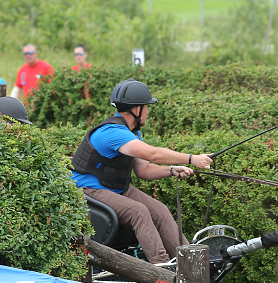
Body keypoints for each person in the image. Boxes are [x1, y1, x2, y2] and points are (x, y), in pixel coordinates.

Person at [70, 79, 213, 264]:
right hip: (89, 191)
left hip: (114, 189)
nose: (147, 112)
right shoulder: (112, 133)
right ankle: (161, 268)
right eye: (146, 108)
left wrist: (171, 170)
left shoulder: (131, 132)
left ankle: (192, 264)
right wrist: (192, 158)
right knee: (139, 211)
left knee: (160, 211)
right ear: (137, 110)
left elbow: (143, 170)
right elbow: (153, 154)